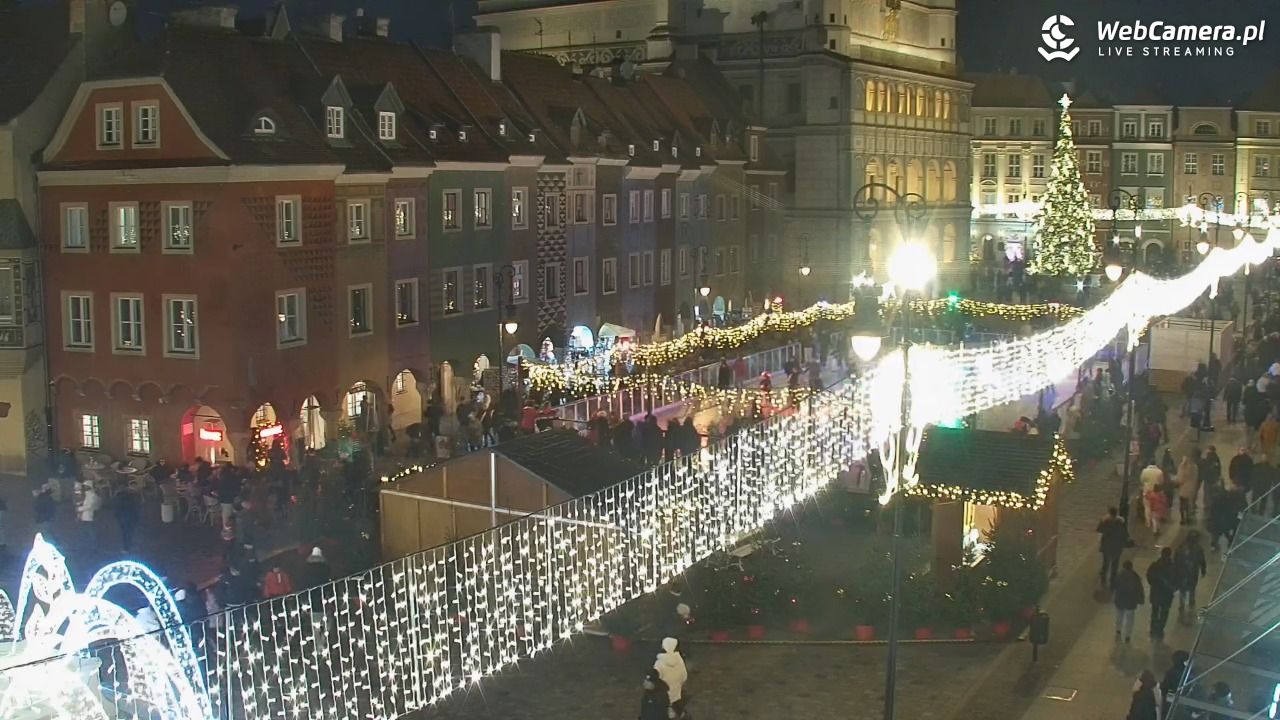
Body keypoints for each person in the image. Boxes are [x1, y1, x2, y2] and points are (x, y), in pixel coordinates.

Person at [1146, 547, 1177, 641]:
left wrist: (1154, 584)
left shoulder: (1155, 565)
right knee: (1164, 613)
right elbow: (1177, 579)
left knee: (1155, 612)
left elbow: (1149, 577)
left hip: (1156, 592)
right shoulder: (1173, 567)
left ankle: (1153, 629)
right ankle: (1160, 630)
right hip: (1167, 594)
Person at [1174, 532, 1208, 613]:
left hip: (1186, 572)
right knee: (1190, 586)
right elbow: (1202, 560)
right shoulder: (1197, 548)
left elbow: (1176, 559)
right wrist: (1203, 569)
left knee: (1185, 587)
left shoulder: (1182, 548)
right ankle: (1190, 600)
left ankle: (1184, 603)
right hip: (1190, 572)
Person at [653, 637, 688, 712]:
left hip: (662, 696)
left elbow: (655, 679)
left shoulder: (659, 663)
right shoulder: (679, 660)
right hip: (676, 695)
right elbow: (684, 676)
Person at [1114, 560, 1144, 643]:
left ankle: (1118, 630)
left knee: (1119, 616)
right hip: (1131, 601)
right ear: (1131, 567)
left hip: (1120, 600)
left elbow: (1114, 586)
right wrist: (1140, 600)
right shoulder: (1135, 576)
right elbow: (1139, 589)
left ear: (1123, 567)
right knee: (1130, 619)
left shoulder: (1119, 575)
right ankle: (1127, 635)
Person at [1097, 507, 1128, 588]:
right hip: (1117, 546)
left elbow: (1100, 532)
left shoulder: (1104, 521)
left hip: (1107, 545)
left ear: (1109, 513)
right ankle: (1113, 579)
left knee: (1105, 562)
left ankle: (1103, 577)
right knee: (1115, 563)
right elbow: (1124, 534)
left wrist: (1100, 542)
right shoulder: (1120, 522)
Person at [113, 487, 140, 553]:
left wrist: (117, 516)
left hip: (122, 518)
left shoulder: (118, 499)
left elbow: (117, 509)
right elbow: (136, 508)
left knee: (125, 533)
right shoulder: (132, 498)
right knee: (131, 533)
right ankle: (131, 546)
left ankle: (126, 547)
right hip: (131, 517)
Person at [1178, 453, 1201, 525]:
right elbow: (1196, 477)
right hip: (1191, 489)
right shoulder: (1194, 467)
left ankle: (1182, 519)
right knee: (1189, 504)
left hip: (1183, 489)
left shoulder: (1183, 467)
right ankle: (1188, 517)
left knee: (1182, 505)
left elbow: (1180, 479)